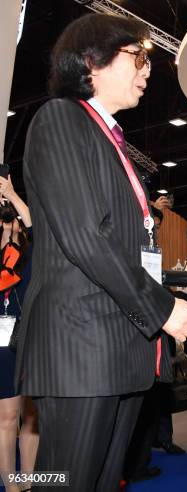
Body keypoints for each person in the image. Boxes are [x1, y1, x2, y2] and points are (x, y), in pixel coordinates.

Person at [18, 13, 187, 491]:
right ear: (92, 61)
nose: (146, 69)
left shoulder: (110, 138)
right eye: (137, 57)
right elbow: (85, 235)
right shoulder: (61, 118)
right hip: (80, 348)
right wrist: (163, 307)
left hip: (119, 348)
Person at [0, 175, 37, 492]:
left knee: (32, 418)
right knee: (7, 417)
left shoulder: (30, 255)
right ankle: (11, 485)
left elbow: (36, 224)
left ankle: (29, 482)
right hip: (2, 345)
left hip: (29, 341)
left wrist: (12, 194)